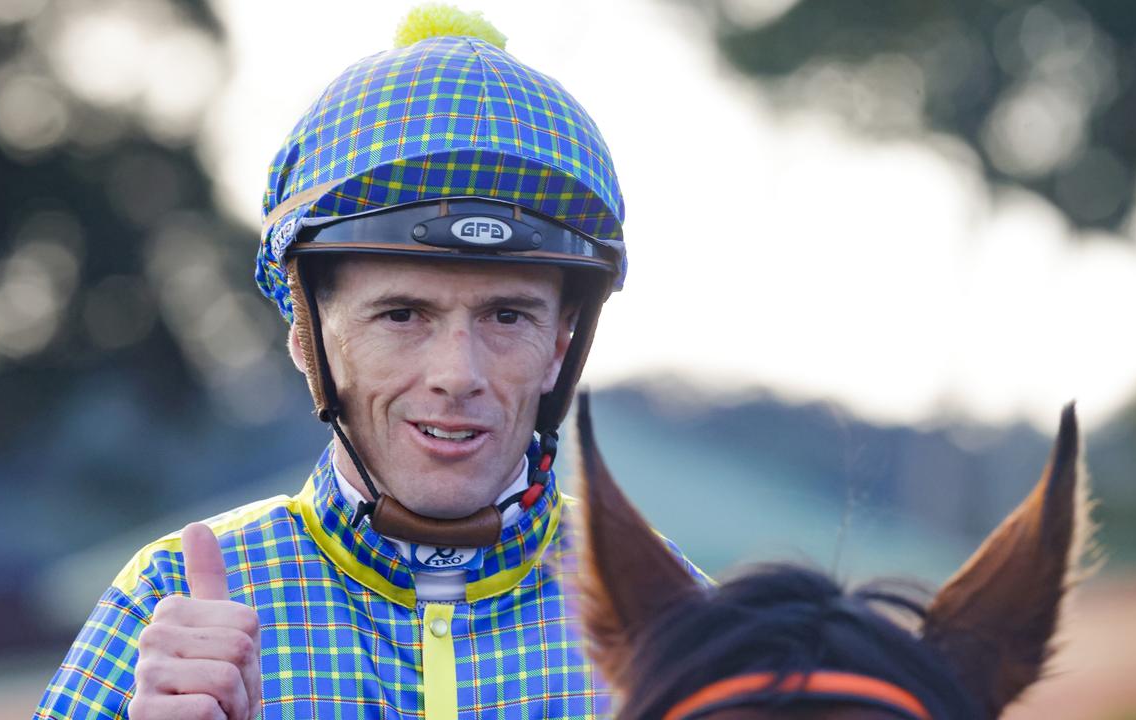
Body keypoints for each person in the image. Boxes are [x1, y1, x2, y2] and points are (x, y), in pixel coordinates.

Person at [35, 5, 703, 718]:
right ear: (307, 336)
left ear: (561, 346)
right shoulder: (170, 603)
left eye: (506, 316)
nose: (458, 373)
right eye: (402, 314)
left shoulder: (673, 620)